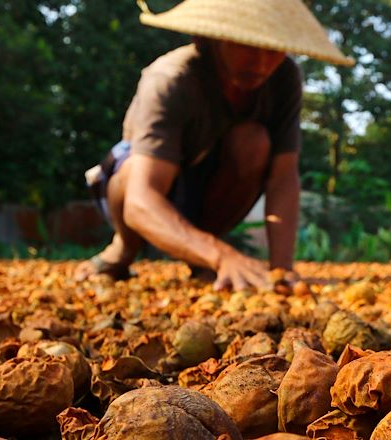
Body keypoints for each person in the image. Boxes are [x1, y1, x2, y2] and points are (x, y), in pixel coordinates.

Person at [74, 0, 353, 290]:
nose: (261, 63)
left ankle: (199, 258)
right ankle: (124, 248)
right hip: (144, 191)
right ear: (207, 39)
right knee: (133, 172)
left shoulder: (284, 77)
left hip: (211, 191)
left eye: (272, 49)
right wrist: (221, 255)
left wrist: (282, 270)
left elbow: (283, 176)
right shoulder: (170, 79)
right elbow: (139, 201)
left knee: (253, 141)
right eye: (246, 44)